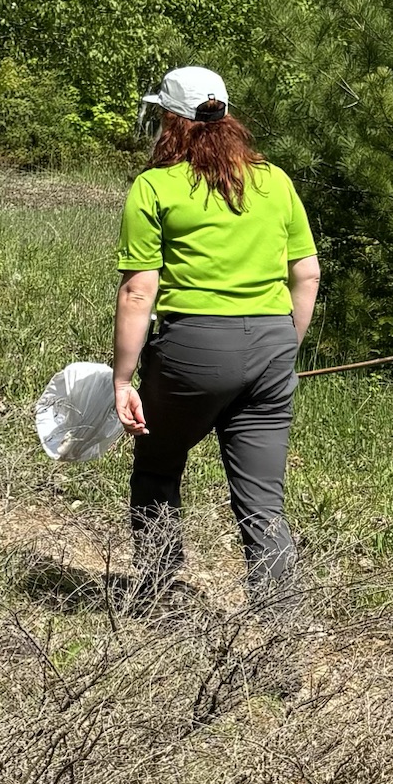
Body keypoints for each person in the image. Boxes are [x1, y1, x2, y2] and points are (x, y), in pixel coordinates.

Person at [112, 65, 321, 605]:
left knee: (158, 465)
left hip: (193, 350)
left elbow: (138, 291)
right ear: (227, 117)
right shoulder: (274, 181)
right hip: (272, 344)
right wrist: (284, 347)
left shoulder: (155, 186)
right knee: (262, 501)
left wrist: (123, 380)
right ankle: (280, 628)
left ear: (171, 120)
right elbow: (307, 275)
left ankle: (158, 597)